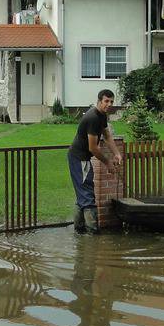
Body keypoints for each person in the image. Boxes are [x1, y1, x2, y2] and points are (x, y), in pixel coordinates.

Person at [67, 89, 123, 233]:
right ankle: (92, 235)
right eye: (106, 101)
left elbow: (107, 136)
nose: (109, 104)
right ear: (99, 101)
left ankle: (79, 231)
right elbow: (93, 148)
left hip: (82, 158)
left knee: (83, 193)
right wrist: (108, 163)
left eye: (111, 101)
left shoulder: (102, 115)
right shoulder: (92, 117)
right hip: (79, 158)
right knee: (87, 196)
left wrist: (117, 153)